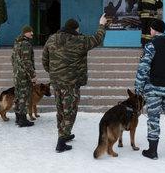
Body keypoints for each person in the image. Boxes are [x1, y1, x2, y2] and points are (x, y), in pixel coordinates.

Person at [42, 14, 107, 153]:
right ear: (76, 29)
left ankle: (64, 134)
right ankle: (61, 142)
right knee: (70, 111)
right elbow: (98, 38)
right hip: (71, 83)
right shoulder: (80, 41)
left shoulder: (51, 39)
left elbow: (44, 60)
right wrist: (102, 24)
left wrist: (54, 73)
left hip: (56, 82)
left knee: (60, 109)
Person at [135, 19, 165, 159]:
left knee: (153, 119)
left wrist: (138, 87)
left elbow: (143, 68)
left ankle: (153, 151)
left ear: (154, 29)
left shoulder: (151, 45)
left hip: (154, 88)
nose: (149, 31)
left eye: (150, 29)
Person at [12, 25, 37, 127]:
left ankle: (18, 117)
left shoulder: (17, 43)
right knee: (23, 96)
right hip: (24, 75)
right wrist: (33, 75)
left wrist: (16, 71)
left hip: (17, 74)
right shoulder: (25, 44)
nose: (32, 33)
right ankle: (22, 119)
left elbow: (13, 59)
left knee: (18, 95)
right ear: (25, 33)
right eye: (30, 32)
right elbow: (27, 62)